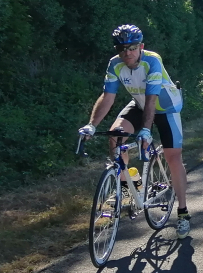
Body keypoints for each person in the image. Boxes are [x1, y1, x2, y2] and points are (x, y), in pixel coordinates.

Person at [79, 24, 192, 239]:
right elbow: (108, 97)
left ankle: (183, 212)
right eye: (121, 49)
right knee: (115, 135)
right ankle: (125, 185)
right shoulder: (115, 64)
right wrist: (91, 124)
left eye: (131, 48)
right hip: (140, 104)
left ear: (141, 46)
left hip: (165, 107)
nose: (127, 53)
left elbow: (152, 99)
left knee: (173, 157)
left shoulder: (152, 60)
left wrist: (146, 131)